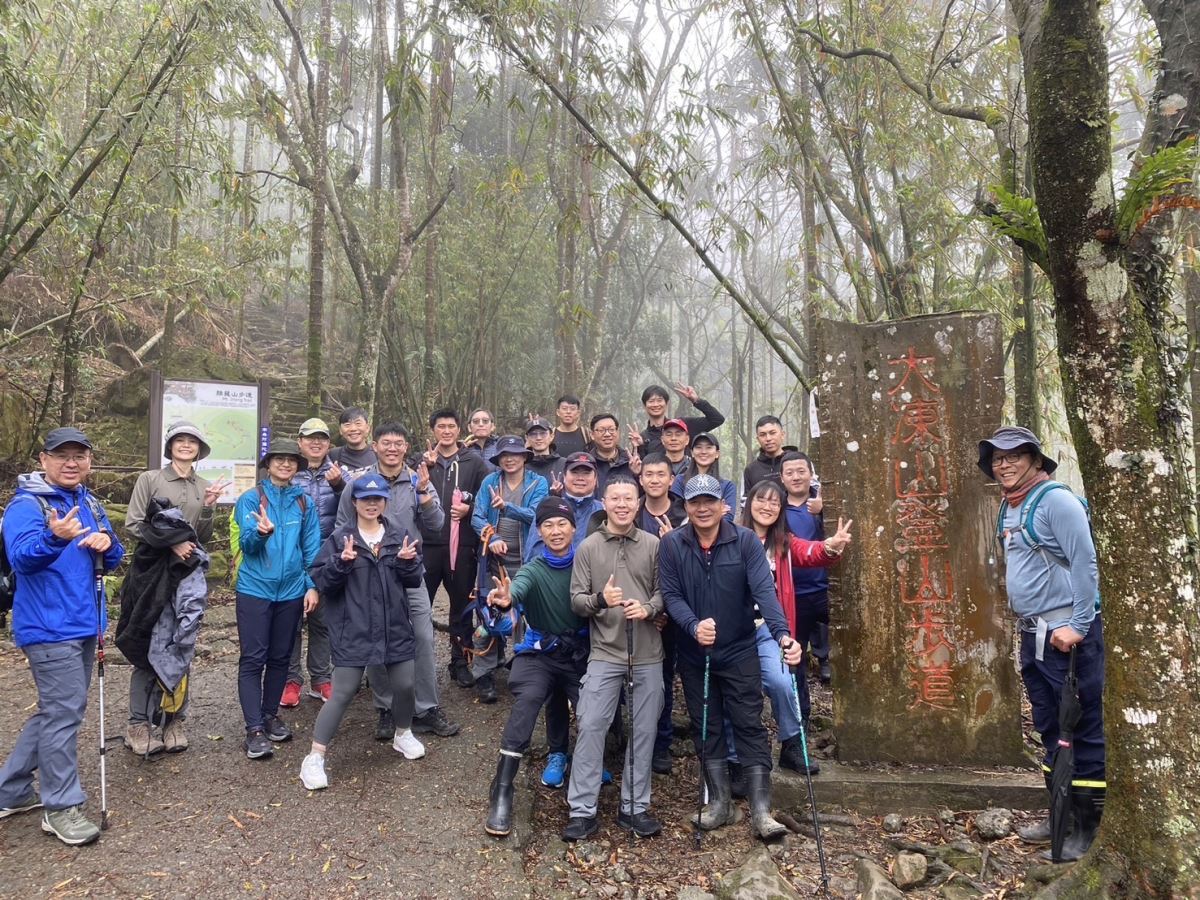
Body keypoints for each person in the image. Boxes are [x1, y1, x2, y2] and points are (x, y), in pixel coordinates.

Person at [979, 426, 1104, 861]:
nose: (1004, 465)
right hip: (1034, 633)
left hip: (1068, 635)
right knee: (1050, 725)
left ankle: (1088, 826)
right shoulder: (1012, 505)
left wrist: (1079, 625)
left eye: (1014, 456)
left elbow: (1086, 563)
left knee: (1082, 726)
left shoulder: (1056, 502)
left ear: (1035, 459)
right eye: (997, 459)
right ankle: (1060, 814)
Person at [659, 474, 803, 840]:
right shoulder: (673, 544)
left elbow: (765, 592)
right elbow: (671, 595)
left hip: (739, 648)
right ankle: (720, 803)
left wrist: (783, 634)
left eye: (709, 501)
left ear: (723, 505)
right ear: (686, 506)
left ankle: (761, 811)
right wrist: (692, 626)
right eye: (695, 502)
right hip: (696, 653)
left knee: (748, 723)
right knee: (706, 725)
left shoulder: (745, 541)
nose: (702, 508)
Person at [0, 428, 124, 846]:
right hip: (48, 626)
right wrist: (54, 537)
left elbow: (114, 555)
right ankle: (60, 807)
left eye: (79, 455)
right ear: (43, 459)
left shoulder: (88, 501)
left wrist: (108, 545)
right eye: (62, 455)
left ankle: (11, 790)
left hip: (85, 622)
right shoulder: (26, 505)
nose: (71, 463)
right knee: (63, 714)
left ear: (89, 461)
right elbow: (22, 559)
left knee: (57, 710)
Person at [334, 423, 459, 740]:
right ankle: (387, 709)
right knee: (379, 638)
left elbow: (437, 525)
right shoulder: (358, 483)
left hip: (409, 571)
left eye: (399, 443)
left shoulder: (418, 480)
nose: (392, 448)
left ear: (406, 448)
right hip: (371, 574)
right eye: (386, 443)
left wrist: (424, 495)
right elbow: (342, 526)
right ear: (374, 446)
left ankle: (426, 708)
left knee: (423, 637)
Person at [300, 475, 426, 790]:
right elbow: (322, 581)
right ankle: (314, 757)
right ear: (354, 502)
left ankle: (403, 733)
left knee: (405, 684)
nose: (372, 504)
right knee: (343, 691)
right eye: (365, 499)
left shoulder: (399, 535)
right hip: (353, 627)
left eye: (378, 499)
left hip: (394, 626)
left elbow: (414, 579)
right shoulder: (340, 538)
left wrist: (407, 564)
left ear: (385, 502)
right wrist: (341, 564)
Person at [563, 477, 665, 841]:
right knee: (591, 724)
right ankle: (582, 810)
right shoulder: (588, 547)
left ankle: (634, 806)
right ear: (603, 503)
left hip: (647, 652)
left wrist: (649, 608)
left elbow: (665, 592)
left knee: (645, 729)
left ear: (638, 504)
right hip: (605, 651)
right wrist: (601, 600)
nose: (622, 504)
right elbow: (577, 600)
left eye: (628, 499)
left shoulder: (653, 545)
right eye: (615, 498)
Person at [482, 497, 589, 837]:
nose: (555, 531)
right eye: (548, 525)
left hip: (579, 654)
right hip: (540, 652)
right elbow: (519, 588)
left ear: (574, 528)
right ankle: (502, 788)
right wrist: (506, 599)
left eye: (562, 524)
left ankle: (590, 765)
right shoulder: (533, 568)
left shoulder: (586, 563)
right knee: (528, 699)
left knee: (594, 705)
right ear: (539, 531)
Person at [735, 479, 851, 778]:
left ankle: (791, 744)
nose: (767, 507)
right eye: (761, 500)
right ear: (749, 503)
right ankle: (736, 756)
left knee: (782, 682)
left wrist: (831, 545)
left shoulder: (783, 543)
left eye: (775, 502)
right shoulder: (730, 537)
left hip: (769, 628)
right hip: (733, 628)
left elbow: (811, 552)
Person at [123, 421, 226, 754]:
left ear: (199, 449)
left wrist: (207, 506)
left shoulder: (203, 485)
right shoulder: (150, 479)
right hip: (152, 575)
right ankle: (138, 724)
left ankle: (173, 720)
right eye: (179, 440)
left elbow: (202, 536)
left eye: (192, 441)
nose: (185, 445)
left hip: (186, 576)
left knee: (182, 643)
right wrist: (172, 542)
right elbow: (133, 524)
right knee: (148, 646)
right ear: (170, 446)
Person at [233, 439, 322, 760]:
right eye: (279, 459)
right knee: (253, 658)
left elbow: (312, 548)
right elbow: (247, 545)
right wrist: (261, 533)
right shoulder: (251, 498)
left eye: (291, 460)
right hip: (255, 589)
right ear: (268, 464)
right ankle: (254, 729)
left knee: (281, 657)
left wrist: (312, 586)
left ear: (297, 466)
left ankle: (270, 715)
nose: (285, 464)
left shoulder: (303, 502)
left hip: (292, 591)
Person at [524, 451, 606, 788]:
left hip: (595, 615)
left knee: (597, 693)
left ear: (596, 478)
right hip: (554, 617)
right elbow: (533, 555)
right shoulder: (549, 510)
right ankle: (557, 752)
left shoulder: (604, 510)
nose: (581, 477)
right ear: (566, 475)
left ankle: (594, 755)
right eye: (575, 472)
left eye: (587, 472)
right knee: (556, 690)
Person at [470, 435, 549, 702]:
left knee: (527, 616)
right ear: (498, 459)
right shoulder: (490, 482)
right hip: (494, 561)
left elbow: (537, 516)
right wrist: (492, 537)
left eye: (515, 454)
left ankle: (524, 671)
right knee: (489, 613)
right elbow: (477, 516)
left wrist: (508, 507)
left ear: (524, 457)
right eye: (505, 455)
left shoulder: (538, 483)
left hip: (529, 560)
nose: (510, 459)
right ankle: (484, 672)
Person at [422, 408, 490, 689]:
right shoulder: (422, 461)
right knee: (419, 603)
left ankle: (460, 661)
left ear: (460, 430)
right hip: (427, 544)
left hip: (462, 545)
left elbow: (487, 499)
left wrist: (469, 510)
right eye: (441, 426)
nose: (446, 431)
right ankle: (415, 662)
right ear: (433, 430)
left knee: (461, 605)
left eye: (451, 426)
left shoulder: (474, 462)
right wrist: (425, 468)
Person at [282, 417, 343, 709]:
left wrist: (340, 485)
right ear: (300, 442)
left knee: (323, 621)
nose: (316, 443)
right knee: (290, 622)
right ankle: (290, 679)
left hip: (327, 557)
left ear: (329, 443)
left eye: (321, 438)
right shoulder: (290, 473)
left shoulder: (338, 472)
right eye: (310, 438)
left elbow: (354, 508)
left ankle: (321, 678)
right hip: (291, 559)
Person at [636, 453, 688, 775]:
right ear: (641, 479)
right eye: (649, 474)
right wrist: (649, 608)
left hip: (678, 612)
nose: (654, 480)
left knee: (665, 678)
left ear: (672, 479)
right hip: (638, 607)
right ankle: (628, 738)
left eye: (661, 474)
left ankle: (661, 742)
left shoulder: (686, 512)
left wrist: (674, 544)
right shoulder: (632, 512)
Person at [780, 451, 831, 685]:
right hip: (793, 593)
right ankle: (800, 703)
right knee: (795, 654)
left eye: (801, 471)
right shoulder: (776, 509)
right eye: (790, 473)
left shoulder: (825, 504)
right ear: (782, 478)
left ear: (811, 474)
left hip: (825, 588)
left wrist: (824, 511)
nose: (796, 477)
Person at [630, 383, 725, 458]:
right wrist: (640, 446)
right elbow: (640, 469)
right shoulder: (642, 437)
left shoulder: (682, 425)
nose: (655, 404)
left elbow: (717, 419)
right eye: (651, 401)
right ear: (644, 406)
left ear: (667, 404)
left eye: (659, 400)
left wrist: (696, 400)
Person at [670, 433, 736, 522]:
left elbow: (727, 519)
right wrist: (715, 514)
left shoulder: (728, 486)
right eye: (698, 447)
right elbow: (675, 514)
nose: (703, 452)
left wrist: (692, 515)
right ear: (692, 453)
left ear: (717, 453)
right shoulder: (680, 481)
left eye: (709, 447)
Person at [586, 413, 637, 495]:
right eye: (601, 430)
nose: (607, 434)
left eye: (611, 429)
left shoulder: (630, 461)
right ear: (592, 435)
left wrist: (637, 474)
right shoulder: (587, 463)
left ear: (618, 432)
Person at [742, 415, 788, 494]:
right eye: (763, 435)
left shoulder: (797, 462)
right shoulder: (751, 470)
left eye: (772, 433)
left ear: (782, 435)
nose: (768, 438)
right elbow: (747, 499)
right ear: (758, 439)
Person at [328, 408, 377, 481]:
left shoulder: (378, 453)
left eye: (358, 423)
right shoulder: (333, 455)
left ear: (367, 428)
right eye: (347, 425)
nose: (353, 429)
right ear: (340, 430)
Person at [525, 417, 565, 490]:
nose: (538, 438)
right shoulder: (522, 466)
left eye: (543, 433)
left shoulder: (564, 464)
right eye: (533, 434)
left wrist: (560, 492)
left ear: (551, 436)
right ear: (527, 438)